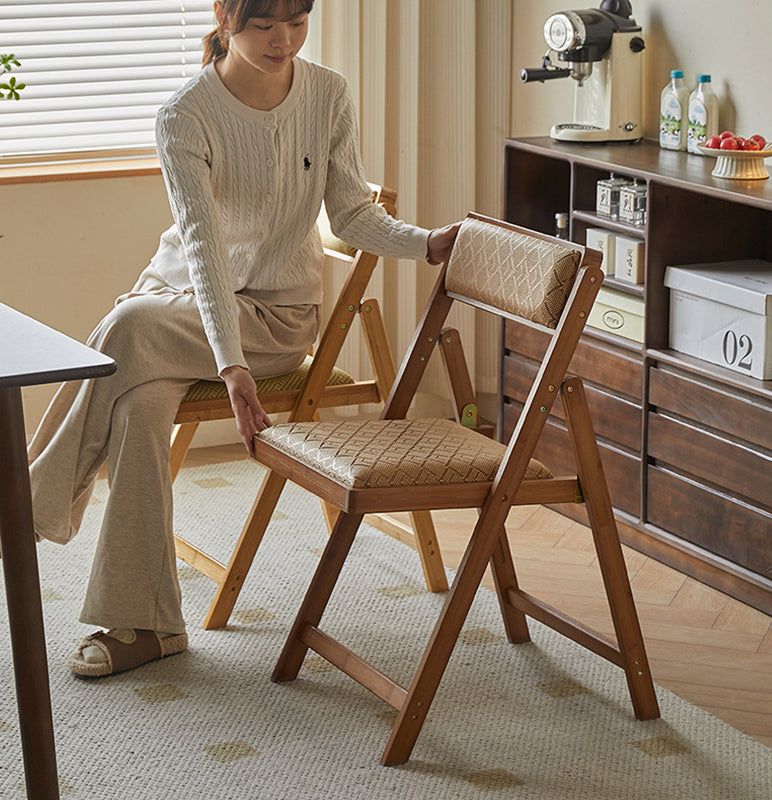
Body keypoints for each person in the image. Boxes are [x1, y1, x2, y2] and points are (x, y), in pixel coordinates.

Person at [27, 0, 460, 678]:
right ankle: (148, 627)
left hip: (271, 325)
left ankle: (25, 504)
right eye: (264, 24)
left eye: (297, 20)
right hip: (181, 307)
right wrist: (227, 368)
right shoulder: (185, 113)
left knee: (126, 329)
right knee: (138, 403)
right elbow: (201, 249)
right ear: (226, 17)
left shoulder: (328, 94)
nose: (284, 40)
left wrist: (428, 243)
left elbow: (351, 214)